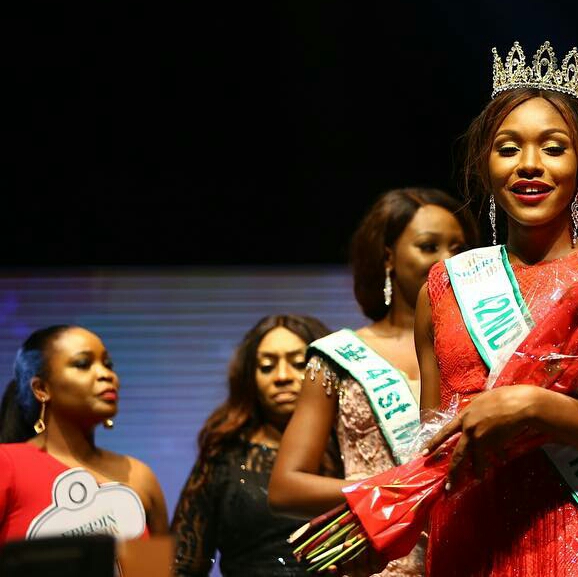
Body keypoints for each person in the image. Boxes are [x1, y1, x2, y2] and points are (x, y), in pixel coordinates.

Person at [416, 41, 578, 576]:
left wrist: (535, 408)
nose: (529, 165)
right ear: (485, 166)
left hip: (576, 538)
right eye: (508, 148)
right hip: (467, 544)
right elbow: (431, 444)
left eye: (554, 148)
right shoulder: (446, 286)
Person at [270, 188, 477, 576]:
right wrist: (399, 488)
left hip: (467, 553)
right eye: (428, 246)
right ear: (387, 258)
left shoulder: (481, 350)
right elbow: (285, 487)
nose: (447, 261)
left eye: (458, 248)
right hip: (381, 561)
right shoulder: (337, 357)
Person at [171, 314, 334, 576]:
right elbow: (182, 563)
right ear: (249, 378)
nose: (282, 376)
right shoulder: (224, 453)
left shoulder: (350, 449)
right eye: (267, 366)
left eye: (298, 363)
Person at [0, 325, 169, 542]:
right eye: (83, 364)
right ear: (42, 389)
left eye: (108, 365)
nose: (106, 375)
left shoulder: (140, 476)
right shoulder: (7, 465)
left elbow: (155, 563)